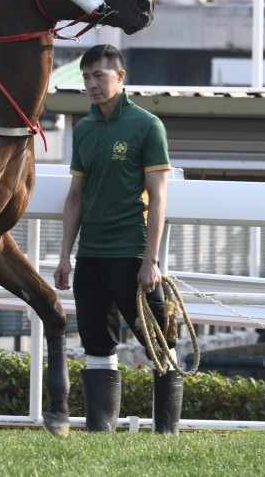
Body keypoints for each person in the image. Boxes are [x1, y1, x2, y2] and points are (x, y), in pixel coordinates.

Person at [52, 44, 183, 435]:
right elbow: (75, 197)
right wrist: (64, 257)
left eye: (99, 76)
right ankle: (100, 434)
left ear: (120, 77)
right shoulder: (86, 128)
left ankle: (167, 435)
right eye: (86, 77)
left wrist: (151, 260)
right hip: (91, 257)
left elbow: (159, 197)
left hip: (132, 253)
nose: (92, 84)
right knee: (96, 347)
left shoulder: (147, 125)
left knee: (161, 343)